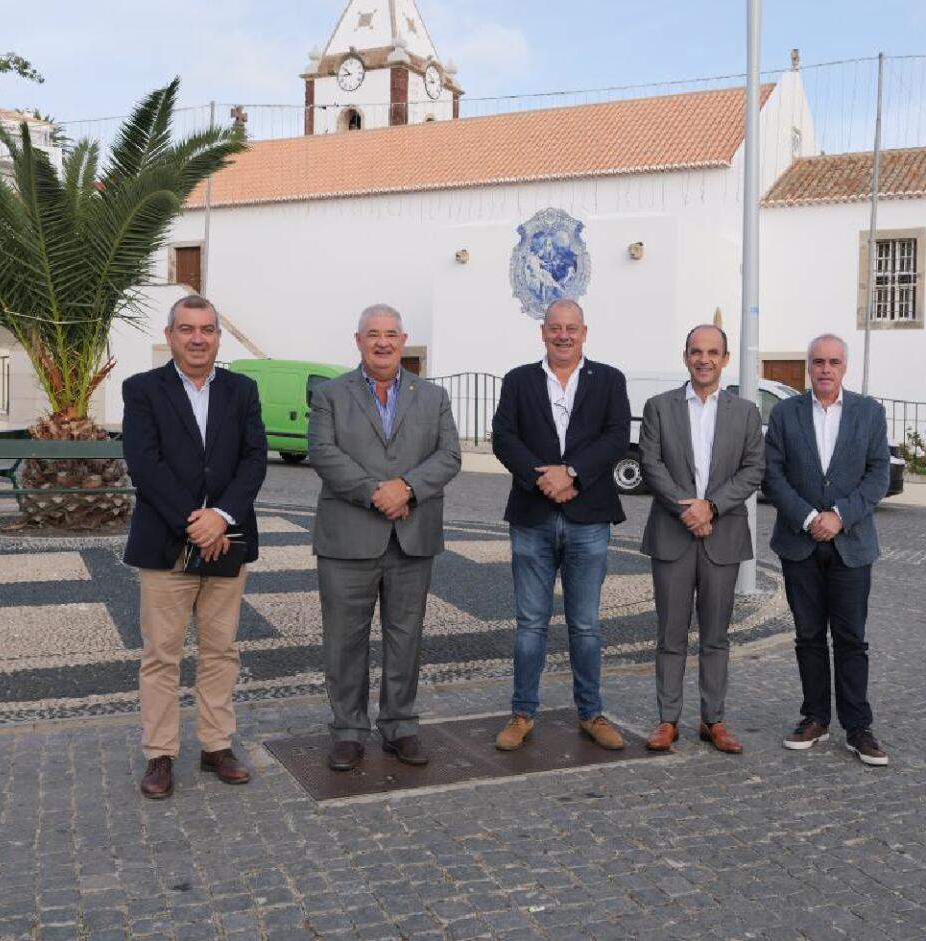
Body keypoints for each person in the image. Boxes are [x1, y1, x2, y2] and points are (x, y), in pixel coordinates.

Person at [122, 294, 268, 799]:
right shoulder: (142, 389)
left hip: (227, 539)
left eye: (207, 329)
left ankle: (216, 746)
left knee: (220, 650)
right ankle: (160, 755)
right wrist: (196, 522)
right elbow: (144, 464)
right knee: (161, 655)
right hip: (165, 543)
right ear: (171, 335)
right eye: (187, 329)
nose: (198, 337)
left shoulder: (242, 390)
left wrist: (221, 516)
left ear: (218, 336)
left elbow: (254, 460)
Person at [307, 304, 461, 772]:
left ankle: (400, 725)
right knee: (344, 640)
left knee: (405, 636)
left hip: (412, 536)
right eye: (373, 334)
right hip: (347, 537)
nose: (382, 342)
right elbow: (322, 452)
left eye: (391, 334)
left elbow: (449, 454)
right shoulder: (330, 394)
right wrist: (376, 492)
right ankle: (349, 730)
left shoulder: (432, 397)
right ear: (358, 341)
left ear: (403, 340)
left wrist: (408, 488)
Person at [491, 299, 631, 751]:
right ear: (543, 332)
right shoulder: (518, 380)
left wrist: (570, 473)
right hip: (533, 516)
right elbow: (504, 438)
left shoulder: (609, 379)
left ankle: (591, 713)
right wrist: (543, 479)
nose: (563, 335)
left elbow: (615, 437)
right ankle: (522, 713)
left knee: (586, 625)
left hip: (589, 517)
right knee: (530, 623)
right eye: (556, 328)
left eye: (572, 328)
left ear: (585, 332)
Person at [763, 333, 891, 766]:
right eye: (818, 361)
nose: (825, 369)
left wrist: (839, 515)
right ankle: (815, 716)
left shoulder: (869, 413)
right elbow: (773, 475)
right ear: (808, 366)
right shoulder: (784, 413)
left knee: (852, 639)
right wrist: (807, 518)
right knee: (808, 636)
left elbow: (878, 475)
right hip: (799, 543)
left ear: (845, 367)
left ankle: (858, 727)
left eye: (833, 362)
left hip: (851, 544)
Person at [638, 325, 765, 754]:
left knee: (716, 635)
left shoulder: (745, 412)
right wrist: (685, 507)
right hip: (672, 534)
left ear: (725, 359)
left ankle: (713, 720)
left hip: (723, 534)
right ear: (686, 356)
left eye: (712, 352)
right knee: (670, 634)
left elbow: (753, 470)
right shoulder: (658, 407)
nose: (704, 359)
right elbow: (651, 464)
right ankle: (667, 720)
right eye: (696, 351)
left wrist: (710, 506)